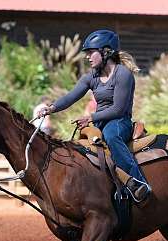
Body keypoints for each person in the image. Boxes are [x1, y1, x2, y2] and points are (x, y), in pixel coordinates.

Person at [37, 29, 151, 203]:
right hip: (99, 122)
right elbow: (71, 97)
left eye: (91, 52)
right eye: (87, 53)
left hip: (119, 122)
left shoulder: (123, 74)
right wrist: (50, 108)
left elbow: (118, 109)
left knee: (112, 137)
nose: (88, 57)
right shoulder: (91, 77)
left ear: (106, 52)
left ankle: (139, 183)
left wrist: (91, 118)